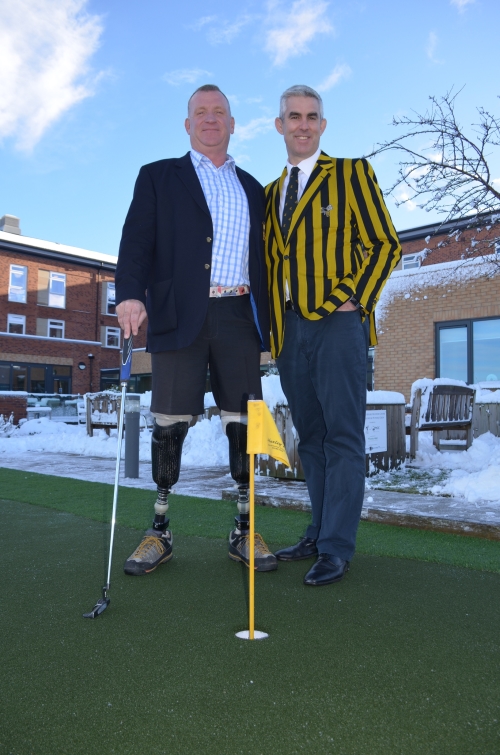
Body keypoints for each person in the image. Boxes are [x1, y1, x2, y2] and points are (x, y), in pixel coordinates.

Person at [115, 84, 277, 575]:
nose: (210, 119)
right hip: (176, 314)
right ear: (187, 124)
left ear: (233, 124)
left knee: (246, 423)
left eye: (219, 112)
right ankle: (159, 531)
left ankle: (245, 529)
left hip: (239, 315)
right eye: (200, 112)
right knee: (168, 423)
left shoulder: (254, 189)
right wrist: (130, 294)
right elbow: (136, 240)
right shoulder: (157, 176)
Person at [265, 85, 401, 586]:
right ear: (279, 125)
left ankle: (336, 547)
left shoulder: (351, 173)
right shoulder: (269, 194)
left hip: (339, 324)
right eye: (293, 116)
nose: (302, 124)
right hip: (288, 330)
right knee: (312, 438)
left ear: (322, 125)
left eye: (311, 116)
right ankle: (318, 532)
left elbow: (385, 245)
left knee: (343, 436)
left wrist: (355, 298)